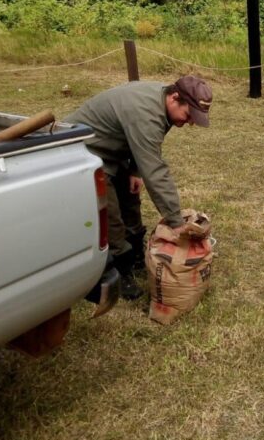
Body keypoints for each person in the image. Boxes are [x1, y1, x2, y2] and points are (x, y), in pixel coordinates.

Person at [66, 75, 213, 300]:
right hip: (83, 153)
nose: (190, 121)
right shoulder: (147, 112)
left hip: (114, 150)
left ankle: (136, 257)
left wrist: (134, 170)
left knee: (131, 204)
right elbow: (155, 170)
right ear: (175, 98)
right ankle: (116, 272)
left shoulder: (163, 103)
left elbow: (145, 143)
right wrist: (175, 221)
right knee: (111, 218)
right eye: (189, 115)